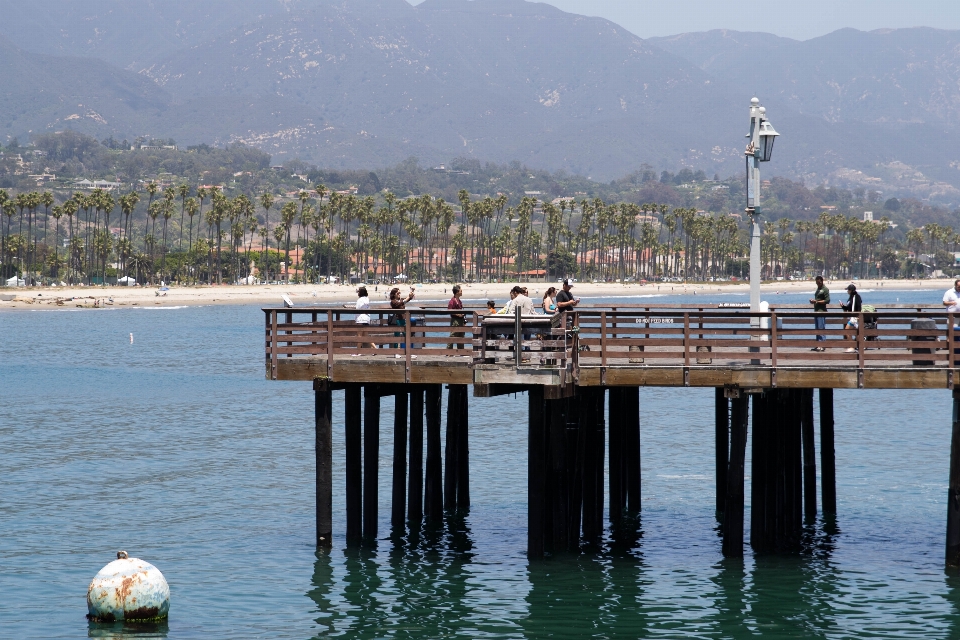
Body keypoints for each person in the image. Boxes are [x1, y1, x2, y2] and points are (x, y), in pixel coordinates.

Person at [840, 283, 862, 353]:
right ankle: (858, 347)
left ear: (851, 290)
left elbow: (858, 307)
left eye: (848, 290)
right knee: (856, 333)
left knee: (847, 330)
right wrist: (843, 306)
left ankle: (852, 347)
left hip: (854, 317)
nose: (847, 291)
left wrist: (858, 316)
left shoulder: (856, 297)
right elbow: (849, 307)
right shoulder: (851, 297)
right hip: (852, 317)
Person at [809, 275, 829, 351]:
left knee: (821, 328)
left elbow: (827, 300)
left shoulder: (825, 289)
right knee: (817, 328)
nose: (818, 284)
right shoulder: (818, 289)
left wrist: (817, 301)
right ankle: (818, 345)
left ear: (821, 281)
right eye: (816, 283)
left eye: (819, 282)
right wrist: (813, 301)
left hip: (822, 311)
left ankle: (822, 345)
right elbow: (817, 299)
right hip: (816, 311)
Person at [354, 286, 374, 354]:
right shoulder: (367, 299)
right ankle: (376, 349)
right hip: (367, 318)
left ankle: (357, 352)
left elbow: (357, 308)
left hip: (360, 319)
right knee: (366, 336)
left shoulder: (360, 300)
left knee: (359, 336)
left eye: (358, 292)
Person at [447, 284, 465, 352]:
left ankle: (461, 352)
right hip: (455, 320)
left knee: (461, 336)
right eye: (461, 291)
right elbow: (449, 310)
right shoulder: (452, 301)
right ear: (457, 292)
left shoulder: (459, 301)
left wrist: (464, 320)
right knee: (453, 335)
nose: (462, 292)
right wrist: (458, 314)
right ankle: (448, 352)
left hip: (461, 320)